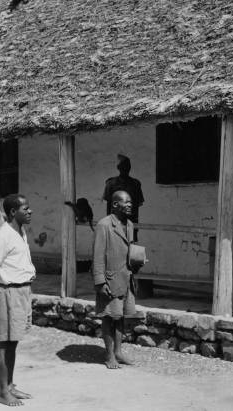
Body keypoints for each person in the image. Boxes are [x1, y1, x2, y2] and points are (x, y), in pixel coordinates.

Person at [0, 194, 35, 406]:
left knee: (13, 342)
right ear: (14, 212)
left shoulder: (20, 231)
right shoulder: (3, 235)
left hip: (22, 292)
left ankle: (10, 385)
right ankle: (3, 392)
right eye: (26, 208)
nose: (30, 211)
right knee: (4, 344)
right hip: (7, 293)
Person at [93, 190, 140, 369]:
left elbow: (130, 248)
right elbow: (97, 255)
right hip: (110, 279)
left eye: (130, 202)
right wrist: (100, 281)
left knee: (120, 317)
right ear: (114, 204)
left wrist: (137, 259)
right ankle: (109, 355)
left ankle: (119, 351)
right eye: (125, 202)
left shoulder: (129, 224)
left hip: (126, 277)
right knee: (108, 317)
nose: (129, 205)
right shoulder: (104, 225)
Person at [102, 154, 144, 241]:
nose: (126, 168)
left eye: (127, 166)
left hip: (130, 222)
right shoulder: (111, 183)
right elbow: (108, 204)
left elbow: (137, 204)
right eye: (123, 166)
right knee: (115, 247)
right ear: (118, 167)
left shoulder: (135, 184)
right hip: (115, 222)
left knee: (129, 249)